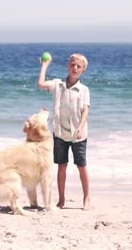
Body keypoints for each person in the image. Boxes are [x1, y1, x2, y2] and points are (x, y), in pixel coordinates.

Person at [36, 53, 91, 210]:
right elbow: (40, 84)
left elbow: (85, 111)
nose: (75, 68)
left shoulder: (84, 90)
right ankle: (61, 200)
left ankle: (86, 198)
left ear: (83, 71)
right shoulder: (57, 85)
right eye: (72, 64)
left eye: (78, 66)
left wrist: (80, 127)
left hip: (78, 135)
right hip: (60, 133)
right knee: (61, 166)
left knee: (81, 166)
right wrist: (45, 66)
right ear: (68, 65)